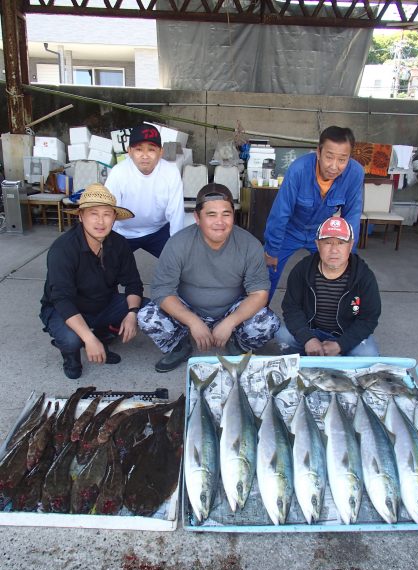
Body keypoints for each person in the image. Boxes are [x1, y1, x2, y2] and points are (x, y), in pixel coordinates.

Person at [138, 183, 280, 372]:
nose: (219, 222)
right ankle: (179, 346)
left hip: (231, 309)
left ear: (233, 216)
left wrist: (230, 322)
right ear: (197, 217)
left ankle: (238, 344)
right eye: (211, 215)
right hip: (188, 307)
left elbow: (259, 294)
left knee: (269, 323)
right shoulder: (178, 243)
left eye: (226, 214)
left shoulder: (249, 244)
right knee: (147, 317)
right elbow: (162, 290)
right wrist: (192, 321)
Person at [40, 184, 144, 379]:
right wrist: (88, 338)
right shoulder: (63, 249)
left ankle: (102, 335)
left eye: (107, 214)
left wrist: (132, 313)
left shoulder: (119, 243)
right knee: (72, 340)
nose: (100, 221)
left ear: (114, 217)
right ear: (80, 216)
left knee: (146, 307)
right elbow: (61, 299)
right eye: (93, 213)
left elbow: (133, 282)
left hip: (102, 303)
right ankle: (71, 355)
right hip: (66, 309)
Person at [264, 126, 364, 299]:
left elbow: (352, 216)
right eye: (329, 157)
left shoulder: (355, 173)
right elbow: (281, 212)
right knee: (267, 273)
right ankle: (257, 317)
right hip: (290, 230)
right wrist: (272, 249)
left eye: (342, 159)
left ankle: (326, 317)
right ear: (318, 152)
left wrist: (347, 253)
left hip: (322, 232)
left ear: (350, 157)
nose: (334, 166)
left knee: (335, 276)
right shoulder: (299, 170)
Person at [275, 216, 381, 357]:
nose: (334, 250)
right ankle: (309, 355)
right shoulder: (302, 270)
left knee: (368, 354)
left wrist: (341, 344)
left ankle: (334, 355)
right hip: (311, 330)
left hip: (346, 333)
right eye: (328, 243)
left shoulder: (364, 276)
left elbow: (369, 319)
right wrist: (308, 339)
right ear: (318, 245)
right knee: (283, 335)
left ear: (350, 245)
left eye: (341, 243)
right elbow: (291, 308)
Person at [105, 123, 185, 258]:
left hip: (158, 230)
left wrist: (177, 247)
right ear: (129, 151)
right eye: (138, 149)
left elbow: (176, 213)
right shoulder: (118, 172)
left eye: (151, 149)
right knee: (106, 269)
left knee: (180, 264)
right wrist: (106, 243)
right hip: (124, 232)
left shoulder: (171, 172)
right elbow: (108, 209)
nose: (145, 155)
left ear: (161, 152)